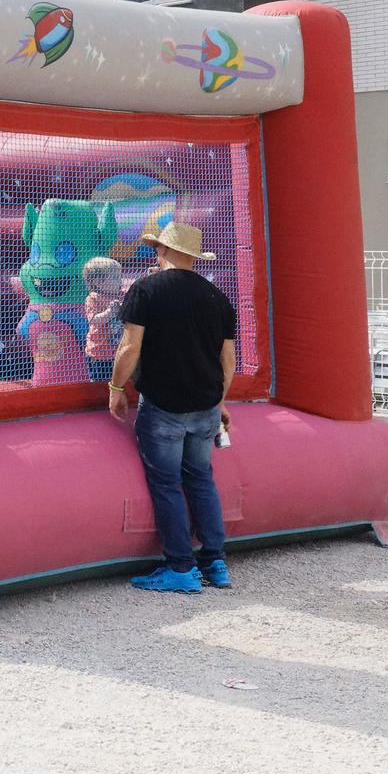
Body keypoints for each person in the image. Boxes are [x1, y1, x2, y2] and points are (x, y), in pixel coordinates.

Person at [106, 222, 238, 595]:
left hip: (163, 405)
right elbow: (227, 361)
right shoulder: (217, 297)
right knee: (200, 478)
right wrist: (220, 401)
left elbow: (129, 347)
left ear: (161, 251)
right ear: (193, 257)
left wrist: (116, 387)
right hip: (206, 406)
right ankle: (215, 562)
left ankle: (180, 567)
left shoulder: (146, 290)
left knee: (166, 484)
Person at [83, 256, 126, 385]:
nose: (120, 281)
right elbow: (93, 320)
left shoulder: (122, 294)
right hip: (99, 353)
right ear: (97, 282)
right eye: (115, 278)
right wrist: (109, 313)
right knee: (100, 384)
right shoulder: (94, 298)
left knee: (119, 381)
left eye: (120, 277)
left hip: (119, 351)